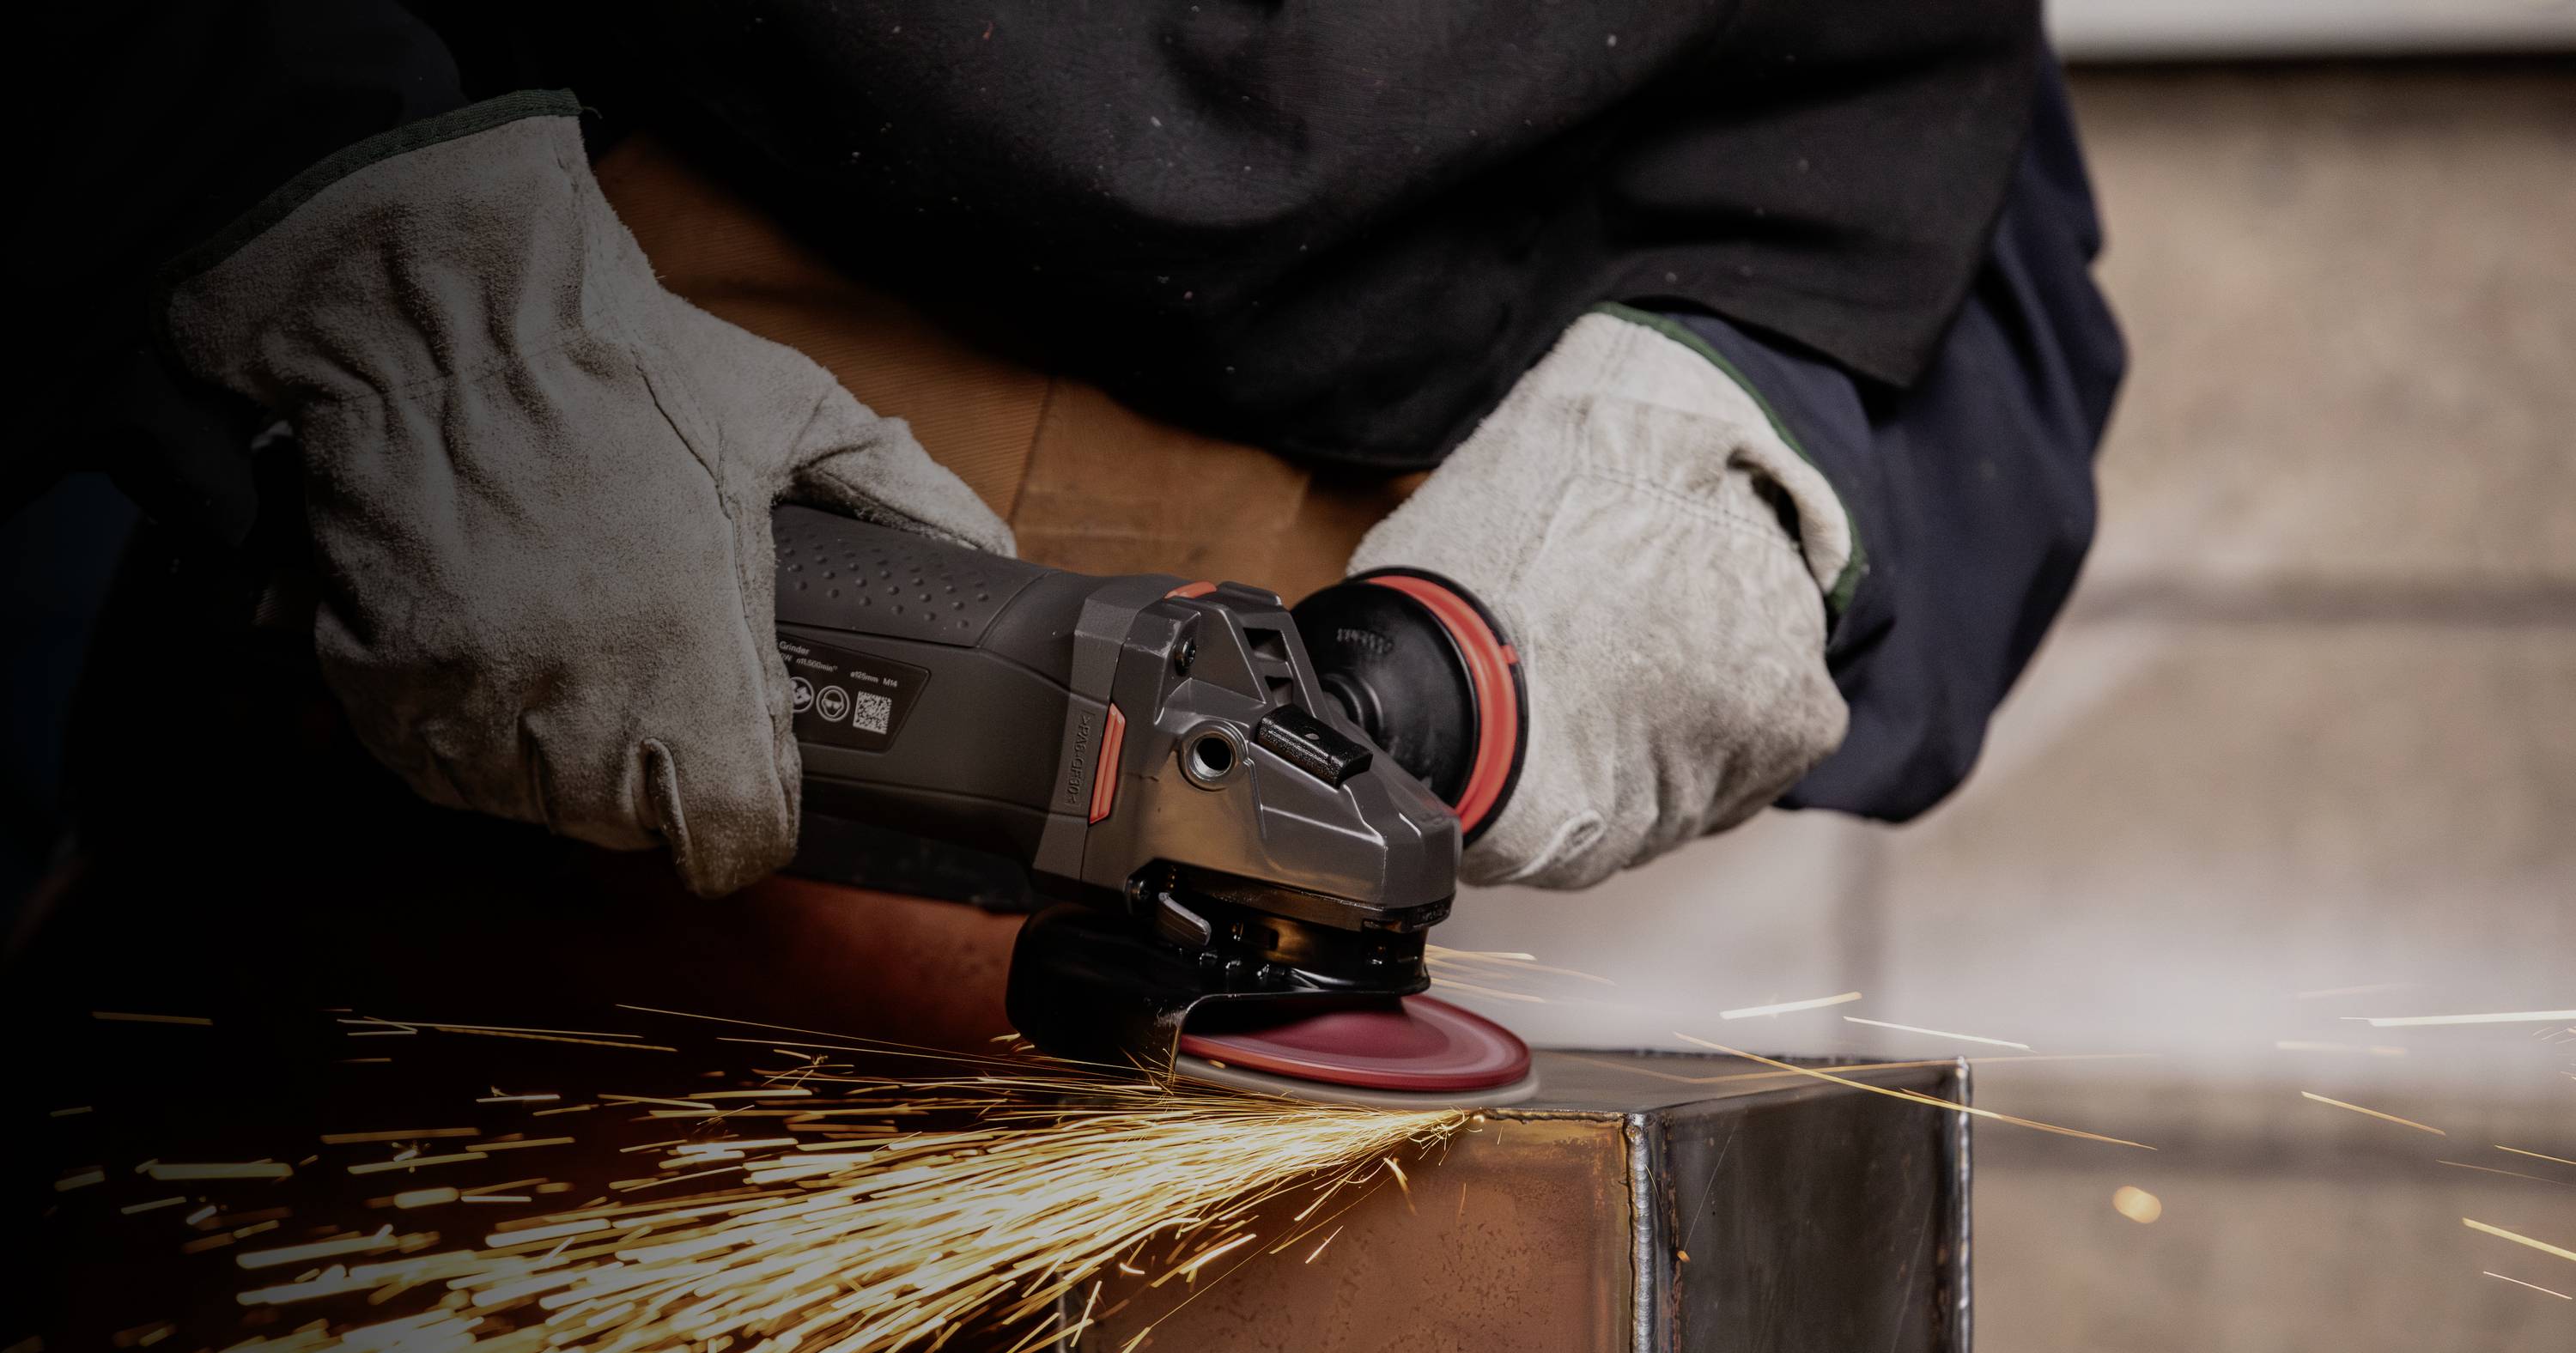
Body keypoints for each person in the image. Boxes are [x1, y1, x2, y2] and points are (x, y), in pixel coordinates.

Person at [20, 2, 2123, 906]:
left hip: (1278, 971)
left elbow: (1954, 200)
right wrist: (348, 252)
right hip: (509, 774)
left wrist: (1765, 438)